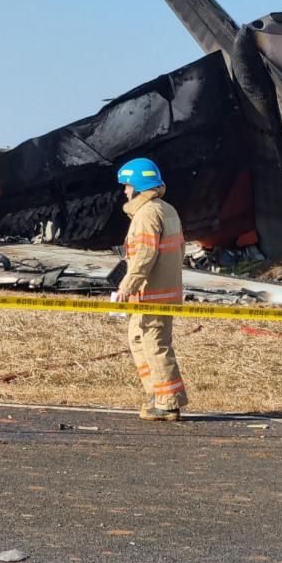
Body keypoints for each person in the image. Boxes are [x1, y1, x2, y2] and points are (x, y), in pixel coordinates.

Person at [114, 157, 188, 421]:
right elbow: (178, 250)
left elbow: (144, 255)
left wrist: (127, 286)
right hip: (161, 291)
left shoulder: (147, 214)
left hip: (151, 293)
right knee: (138, 340)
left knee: (154, 345)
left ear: (138, 185)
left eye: (126, 186)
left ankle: (168, 403)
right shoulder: (167, 210)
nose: (124, 191)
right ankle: (156, 394)